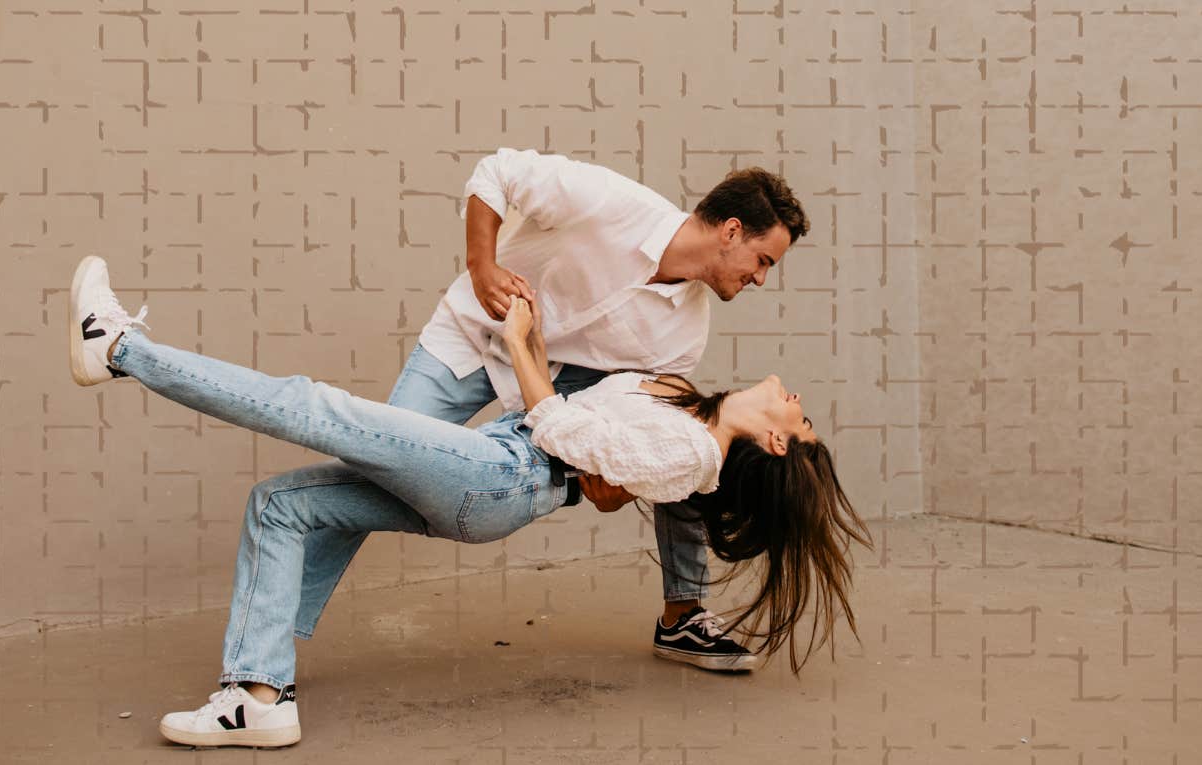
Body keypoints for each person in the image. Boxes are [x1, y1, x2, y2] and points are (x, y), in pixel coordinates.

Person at [68, 256, 871, 748]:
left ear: (775, 444)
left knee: (315, 406)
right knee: (284, 506)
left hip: (498, 473)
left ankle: (119, 347)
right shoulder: (685, 411)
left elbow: (556, 426)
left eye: (798, 416)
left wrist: (523, 342)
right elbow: (588, 454)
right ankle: (255, 696)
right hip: (492, 474)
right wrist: (544, 349)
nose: (793, 397)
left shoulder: (697, 451)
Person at [306, 148, 814, 676]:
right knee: (376, 464)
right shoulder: (614, 203)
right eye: (764, 261)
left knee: (693, 434)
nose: (760, 280)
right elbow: (496, 173)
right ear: (731, 231)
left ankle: (682, 615)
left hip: (565, 381)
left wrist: (618, 484)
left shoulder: (687, 331)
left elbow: (645, 426)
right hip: (473, 338)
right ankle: (277, 621)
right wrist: (483, 266)